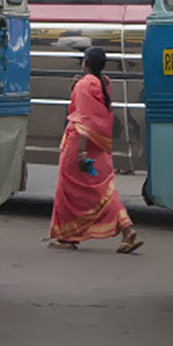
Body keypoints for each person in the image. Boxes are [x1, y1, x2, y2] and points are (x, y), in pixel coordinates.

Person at [48, 47, 144, 253]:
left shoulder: (84, 85)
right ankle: (127, 230)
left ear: (86, 63)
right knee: (104, 192)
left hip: (80, 146)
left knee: (68, 193)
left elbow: (83, 119)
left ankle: (67, 237)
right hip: (100, 147)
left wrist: (81, 153)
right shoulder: (104, 83)